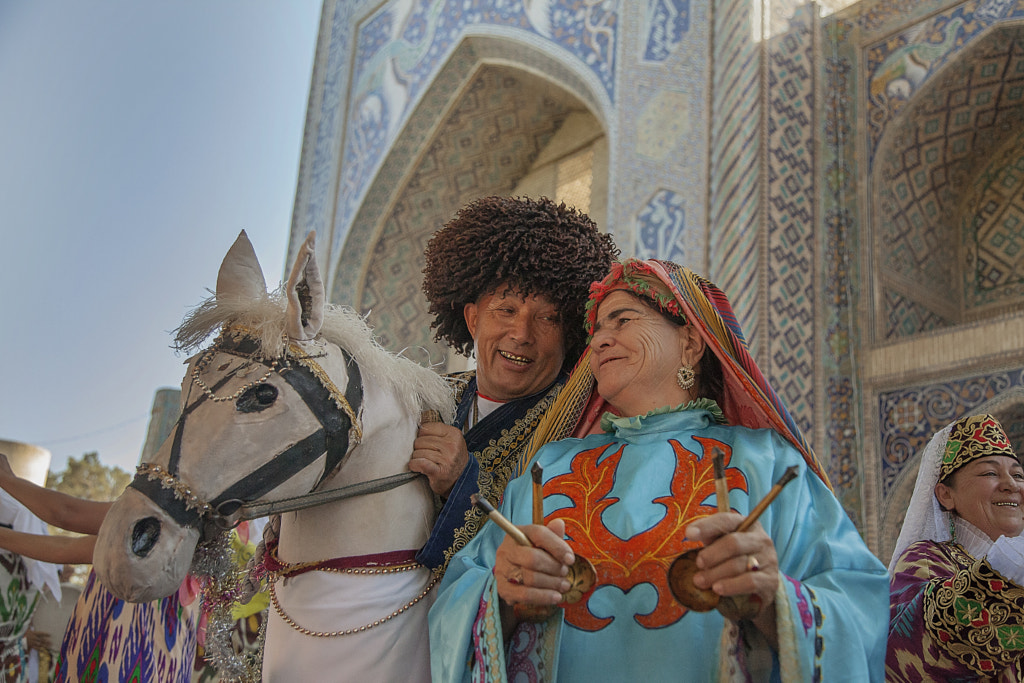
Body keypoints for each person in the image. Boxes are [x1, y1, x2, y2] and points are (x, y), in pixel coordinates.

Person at [429, 258, 888, 682]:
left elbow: (861, 608)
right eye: (596, 329)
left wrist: (773, 600)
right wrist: (503, 597)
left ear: (690, 342)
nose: (601, 338)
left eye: (623, 320)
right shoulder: (550, 465)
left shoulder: (767, 460)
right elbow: (452, 603)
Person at [411, 195, 618, 573]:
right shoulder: (426, 399)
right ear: (473, 320)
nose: (521, 334)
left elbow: (567, 549)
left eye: (548, 319)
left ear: (570, 335)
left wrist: (465, 483)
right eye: (506, 311)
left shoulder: (586, 425)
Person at [0, 454, 198, 683]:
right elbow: (68, 546)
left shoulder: (160, 519)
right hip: (168, 664)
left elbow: (66, 515)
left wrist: (7, 478)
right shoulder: (199, 530)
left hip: (122, 658)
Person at [886, 413, 1024, 681]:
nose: (1011, 485)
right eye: (990, 472)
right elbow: (917, 653)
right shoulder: (926, 558)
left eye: (1018, 475)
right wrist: (1009, 566)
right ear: (946, 494)